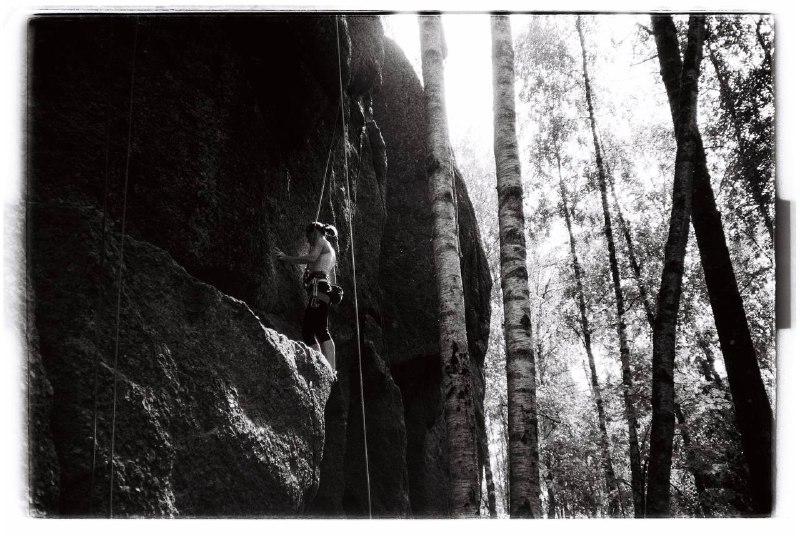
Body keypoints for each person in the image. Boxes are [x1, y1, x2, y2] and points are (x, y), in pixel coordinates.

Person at [274, 222, 338, 373]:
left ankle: (324, 367)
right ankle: (327, 367)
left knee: (311, 331)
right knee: (319, 329)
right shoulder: (331, 250)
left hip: (318, 289)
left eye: (308, 236)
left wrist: (286, 258)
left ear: (314, 232)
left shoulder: (321, 241)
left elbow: (311, 258)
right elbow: (332, 277)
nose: (308, 240)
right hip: (322, 289)